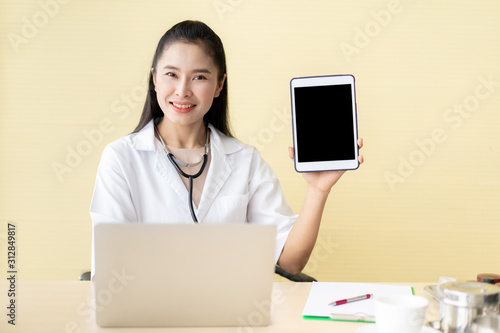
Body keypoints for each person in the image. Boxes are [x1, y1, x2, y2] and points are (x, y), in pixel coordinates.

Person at [90, 20, 363, 277]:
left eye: (199, 77)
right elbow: (111, 266)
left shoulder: (245, 161)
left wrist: (318, 190)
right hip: (148, 320)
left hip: (231, 321)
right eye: (171, 74)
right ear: (154, 79)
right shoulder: (121, 158)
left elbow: (290, 261)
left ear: (219, 84)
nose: (182, 90)